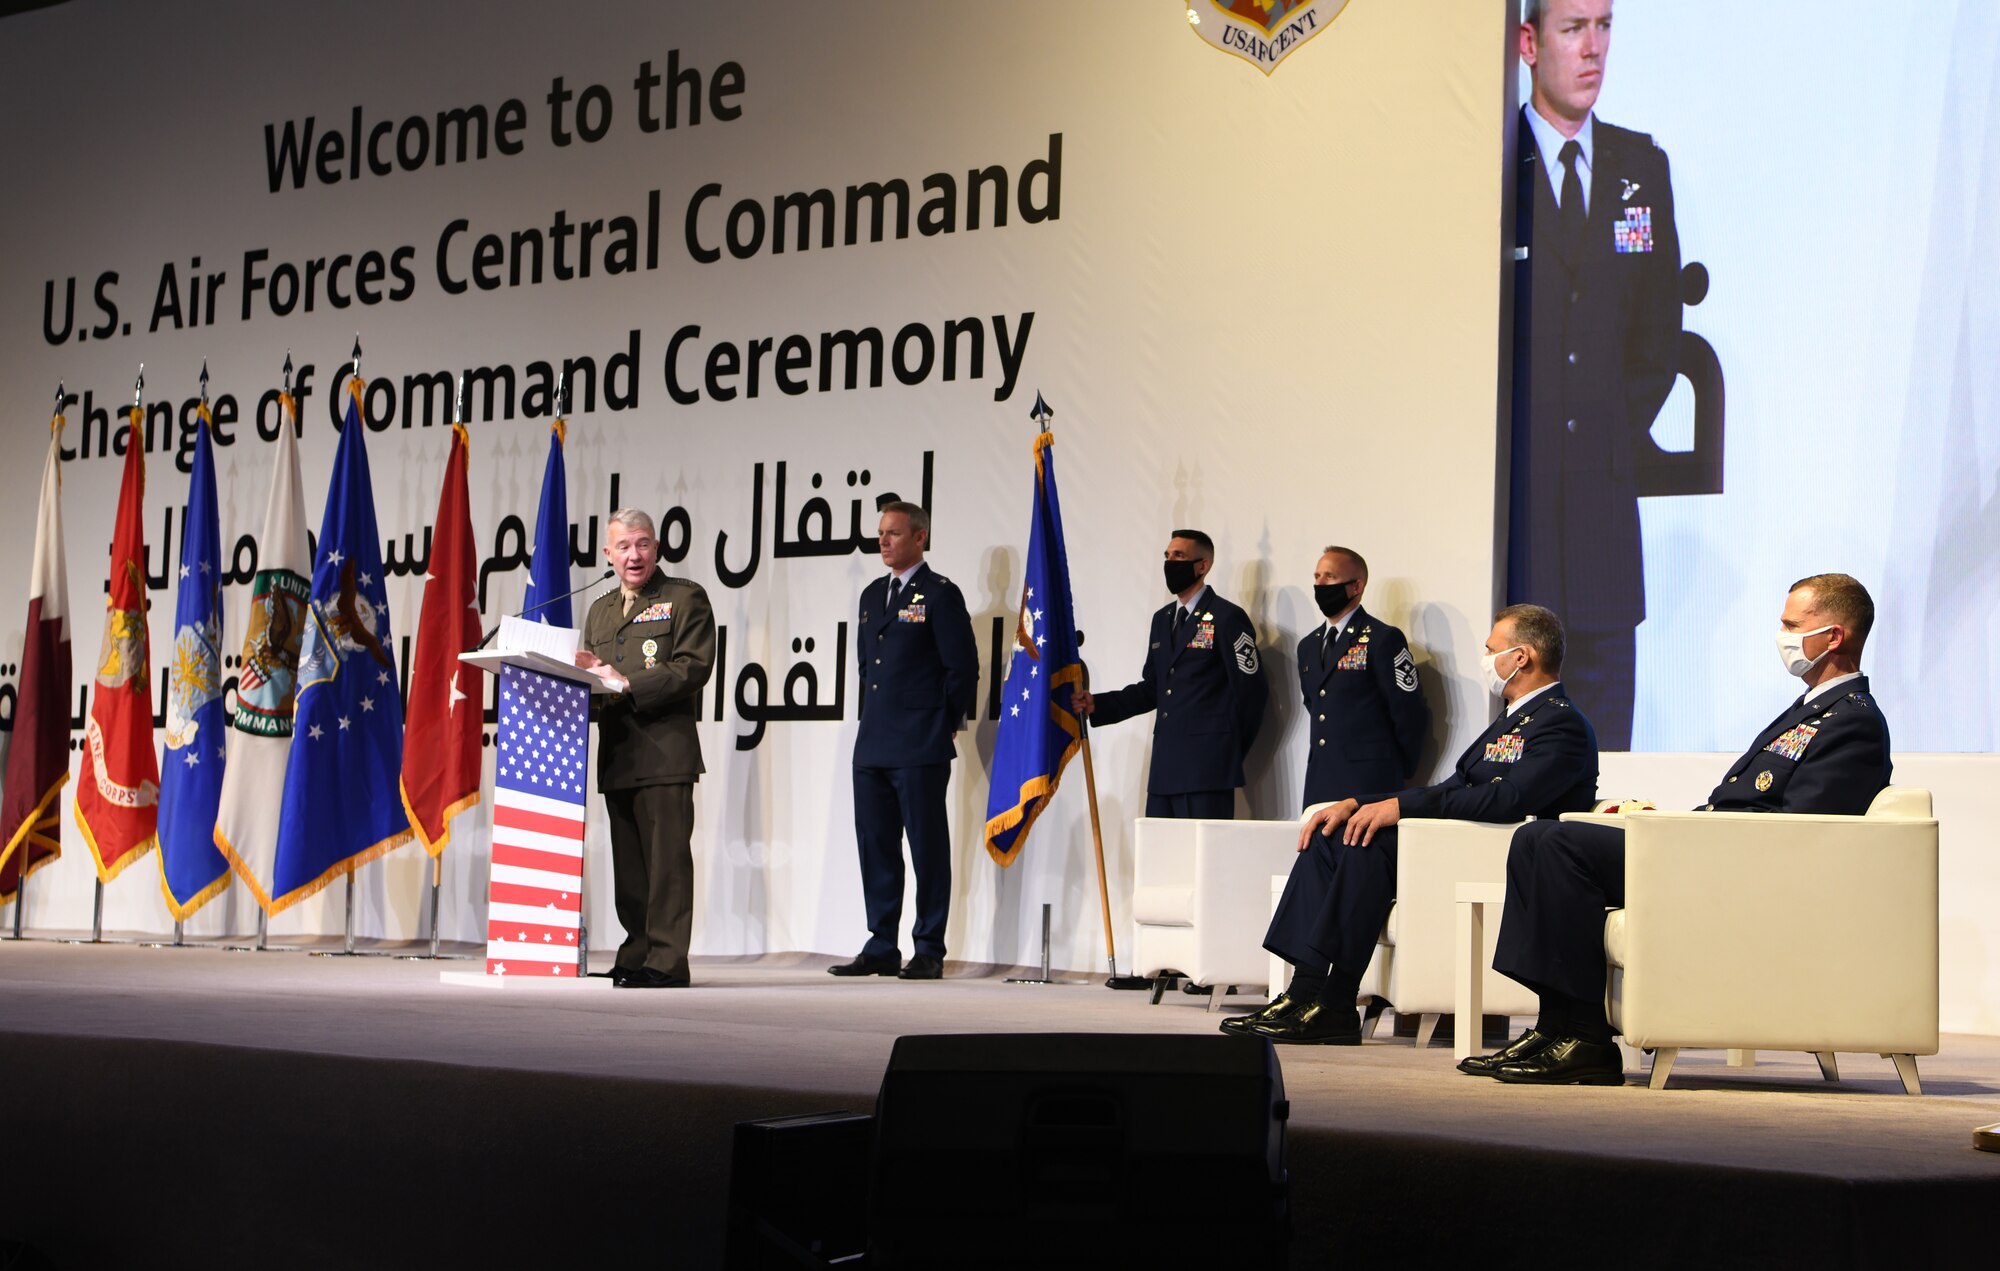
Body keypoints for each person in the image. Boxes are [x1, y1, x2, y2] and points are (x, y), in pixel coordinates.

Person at [1471, 574, 1892, 1085]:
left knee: (1559, 843)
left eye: (1791, 624)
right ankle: (1554, 1024)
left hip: (1732, 867)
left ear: (1833, 637)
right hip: (1708, 848)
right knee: (1537, 837)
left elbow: (1799, 833)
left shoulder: (1854, 721)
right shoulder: (1813, 708)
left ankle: (1584, 1037)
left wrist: (1687, 837)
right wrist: (1671, 824)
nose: (1779, 634)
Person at [1234, 604, 1599, 1044]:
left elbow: (1509, 799)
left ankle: (1335, 1001)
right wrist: (1357, 802)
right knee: (1332, 830)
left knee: (1368, 841)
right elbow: (1453, 786)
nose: (1485, 659)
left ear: (1521, 657)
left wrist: (1400, 811)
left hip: (1506, 857)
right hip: (1458, 844)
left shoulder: (1561, 722)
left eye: (1492, 650)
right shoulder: (1512, 719)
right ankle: (1304, 992)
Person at [1506, 0, 1682, 749]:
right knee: (1519, 760)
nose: (1593, 49)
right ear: (1527, 41)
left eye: (1604, 27)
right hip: (1516, 524)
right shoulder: (1489, 159)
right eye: (1573, 29)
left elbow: (1658, 342)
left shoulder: (1640, 167)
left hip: (1606, 526)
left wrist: (1606, 433)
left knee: (1608, 761)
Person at [829, 501, 979, 981]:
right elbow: (865, 667)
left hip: (919, 743)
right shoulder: (873, 594)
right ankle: (880, 944)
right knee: (876, 845)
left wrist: (943, 723)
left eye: (893, 533)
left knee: (927, 847)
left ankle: (929, 947)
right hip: (873, 741)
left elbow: (962, 670)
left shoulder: (939, 594)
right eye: (880, 533)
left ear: (920, 537)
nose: (884, 540)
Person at [575, 509, 716, 989]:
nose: (634, 555)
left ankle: (668, 961)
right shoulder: (600, 611)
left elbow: (693, 666)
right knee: (630, 871)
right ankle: (636, 953)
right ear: (607, 554)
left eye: (643, 544)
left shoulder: (684, 598)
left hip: (664, 753)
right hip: (618, 753)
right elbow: (599, 682)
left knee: (666, 867)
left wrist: (629, 682)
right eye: (624, 547)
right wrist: (585, 677)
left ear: (657, 548)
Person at [1071, 529, 1265, 819]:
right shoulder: (1162, 620)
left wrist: (1226, 752)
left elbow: (1252, 691)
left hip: (1208, 771)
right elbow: (1153, 688)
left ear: (1203, 565)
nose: (1170, 562)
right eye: (1167, 556)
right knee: (1161, 859)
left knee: (1201, 862)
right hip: (1165, 770)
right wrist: (1098, 704)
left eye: (1179, 556)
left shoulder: (1227, 617)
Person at [1296, 546, 1430, 809]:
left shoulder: (1382, 639)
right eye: (1317, 576)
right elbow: (1316, 704)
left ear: (1356, 586)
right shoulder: (1308, 646)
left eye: (1330, 577)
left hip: (1369, 782)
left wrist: (1396, 766)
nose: (1320, 584)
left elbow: (1408, 711)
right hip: (1320, 780)